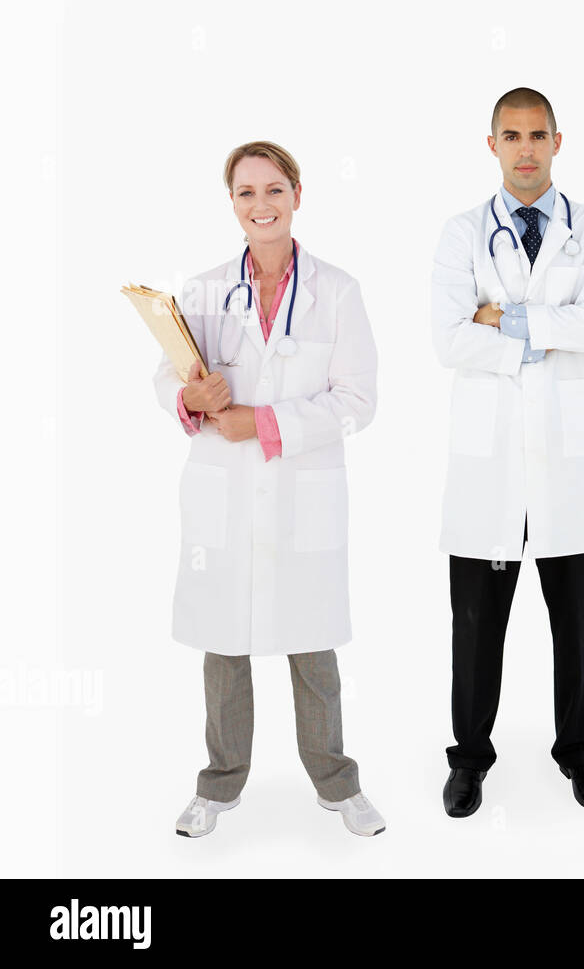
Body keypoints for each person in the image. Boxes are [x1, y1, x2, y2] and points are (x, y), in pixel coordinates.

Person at [152, 141, 385, 837]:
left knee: (312, 647)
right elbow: (166, 378)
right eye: (247, 193)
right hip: (225, 496)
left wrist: (264, 421)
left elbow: (359, 400)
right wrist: (193, 394)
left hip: (299, 491)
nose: (262, 205)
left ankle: (337, 785)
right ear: (232, 203)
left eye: (274, 190)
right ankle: (219, 788)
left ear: (298, 195)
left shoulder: (337, 291)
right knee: (223, 646)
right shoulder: (199, 291)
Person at [429, 87, 584, 818]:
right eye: (511, 136)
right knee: (475, 629)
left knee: (578, 626)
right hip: (488, 469)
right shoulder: (461, 233)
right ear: (492, 145)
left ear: (557, 141)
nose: (526, 149)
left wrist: (501, 319)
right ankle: (470, 761)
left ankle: (579, 755)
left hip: (570, 467)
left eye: (538, 135)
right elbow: (448, 340)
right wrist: (543, 335)